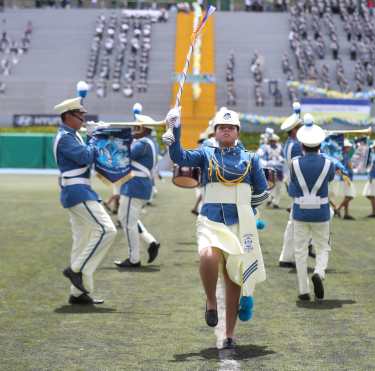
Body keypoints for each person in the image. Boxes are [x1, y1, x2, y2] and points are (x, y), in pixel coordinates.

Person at [164, 107, 269, 349]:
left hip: (239, 224)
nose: (226, 130)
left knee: (234, 279)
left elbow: (262, 192)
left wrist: (249, 210)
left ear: (237, 132)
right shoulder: (205, 153)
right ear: (215, 132)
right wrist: (174, 131)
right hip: (210, 220)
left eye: (230, 127)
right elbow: (180, 156)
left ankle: (229, 334)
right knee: (208, 256)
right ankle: (211, 302)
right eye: (222, 127)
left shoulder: (251, 159)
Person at [53, 97, 117, 305]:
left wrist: (95, 137)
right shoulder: (65, 138)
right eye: (79, 115)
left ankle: (77, 293)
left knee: (82, 241)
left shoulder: (72, 135)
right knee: (108, 230)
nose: (83, 119)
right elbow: (85, 157)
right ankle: (75, 270)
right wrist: (94, 137)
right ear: (67, 116)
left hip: (79, 190)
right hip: (77, 191)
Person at [288, 114, 335, 301]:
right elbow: (329, 178)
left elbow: (292, 190)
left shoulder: (294, 164)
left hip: (300, 212)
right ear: (320, 145)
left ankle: (303, 290)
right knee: (323, 247)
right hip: (321, 213)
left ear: (302, 145)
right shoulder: (328, 163)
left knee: (299, 251)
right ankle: (319, 272)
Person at [114, 116, 161, 268]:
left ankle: (134, 258)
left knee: (128, 223)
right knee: (126, 218)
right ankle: (150, 242)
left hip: (135, 186)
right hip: (138, 185)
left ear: (145, 129)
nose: (134, 130)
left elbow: (123, 156)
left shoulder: (142, 144)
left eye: (137, 127)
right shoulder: (150, 142)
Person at [278, 102, 304, 268]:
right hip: (297, 182)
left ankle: (287, 256)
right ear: (294, 130)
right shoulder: (295, 146)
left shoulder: (290, 143)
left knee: (294, 220)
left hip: (292, 180)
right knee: (295, 221)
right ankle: (290, 255)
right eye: (300, 127)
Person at [329, 139, 356, 220]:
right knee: (350, 196)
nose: (349, 148)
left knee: (347, 195)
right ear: (344, 147)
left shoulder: (345, 155)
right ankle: (338, 209)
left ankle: (346, 213)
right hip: (346, 178)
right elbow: (341, 168)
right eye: (347, 147)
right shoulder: (344, 156)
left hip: (346, 177)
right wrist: (345, 177)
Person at [261, 133, 284, 209]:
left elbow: (283, 157)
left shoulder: (280, 147)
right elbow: (263, 158)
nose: (273, 142)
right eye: (271, 141)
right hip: (270, 169)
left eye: (274, 141)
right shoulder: (266, 148)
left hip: (279, 169)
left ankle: (275, 202)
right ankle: (270, 198)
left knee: (279, 186)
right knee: (270, 185)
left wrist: (281, 159)